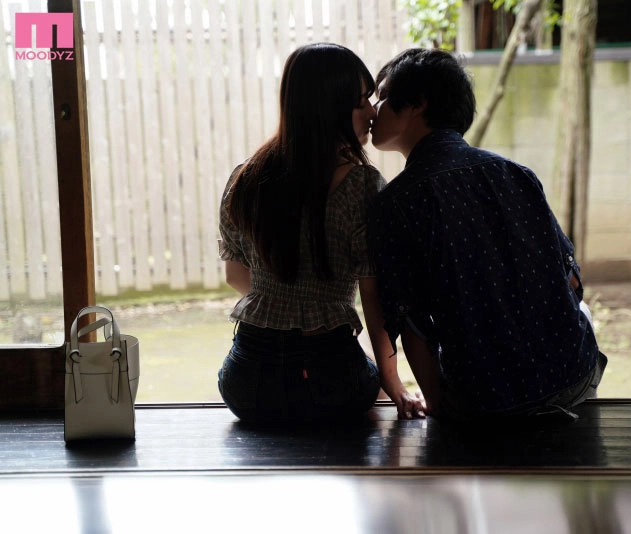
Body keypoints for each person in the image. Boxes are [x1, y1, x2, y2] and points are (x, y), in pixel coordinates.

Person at [367, 48, 606, 421]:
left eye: (381, 97)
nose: (372, 111)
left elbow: (411, 323)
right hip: (571, 380)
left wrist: (440, 411)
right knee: (584, 313)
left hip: (482, 403)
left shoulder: (394, 204)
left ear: (417, 104)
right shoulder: (516, 173)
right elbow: (572, 282)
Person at [217, 43, 425, 424]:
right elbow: (373, 297)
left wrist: (285, 308)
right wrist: (392, 382)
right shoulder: (362, 186)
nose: (372, 112)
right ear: (328, 108)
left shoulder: (245, 178)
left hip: (246, 387)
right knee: (368, 386)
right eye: (360, 102)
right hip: (331, 386)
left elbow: (235, 275)